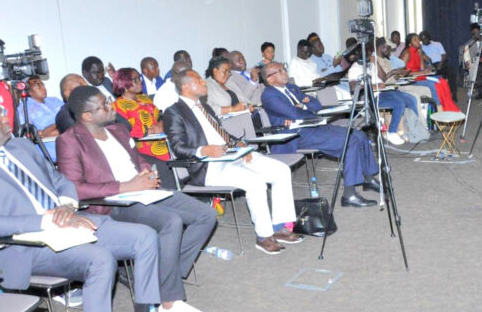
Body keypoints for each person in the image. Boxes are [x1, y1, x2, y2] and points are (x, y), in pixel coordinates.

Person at [0, 95, 177, 312]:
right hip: (26, 244)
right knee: (99, 259)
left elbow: (61, 180)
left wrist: (66, 204)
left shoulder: (21, 146)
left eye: (3, 112)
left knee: (145, 237)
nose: (6, 118)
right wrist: (46, 218)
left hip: (71, 221)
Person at [57, 86, 216, 312]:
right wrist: (124, 187)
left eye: (108, 101)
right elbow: (75, 188)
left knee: (206, 215)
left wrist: (145, 169)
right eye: (105, 105)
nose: (112, 106)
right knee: (170, 222)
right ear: (87, 115)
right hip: (113, 202)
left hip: (142, 191)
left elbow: (137, 159)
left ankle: (166, 275)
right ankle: (169, 303)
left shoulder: (118, 130)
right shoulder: (69, 141)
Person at [163, 69, 301, 255]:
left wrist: (239, 145)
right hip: (209, 166)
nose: (204, 82)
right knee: (255, 182)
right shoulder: (174, 112)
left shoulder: (206, 107)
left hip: (232, 154)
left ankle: (280, 227)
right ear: (186, 86)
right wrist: (203, 150)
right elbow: (178, 148)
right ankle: (264, 236)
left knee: (281, 170)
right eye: (198, 79)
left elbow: (221, 135)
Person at [261, 62, 380, 207]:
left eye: (283, 69)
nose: (284, 72)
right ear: (269, 79)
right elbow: (292, 113)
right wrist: (304, 107)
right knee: (350, 141)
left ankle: (368, 177)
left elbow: (316, 104)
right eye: (279, 71)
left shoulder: (292, 88)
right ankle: (349, 195)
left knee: (359, 135)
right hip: (295, 135)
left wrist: (303, 106)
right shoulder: (268, 95)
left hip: (314, 126)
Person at [347, 39, 418, 145]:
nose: (370, 54)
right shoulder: (354, 69)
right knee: (399, 103)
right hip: (371, 97)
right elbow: (353, 87)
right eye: (367, 52)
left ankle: (414, 130)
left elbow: (384, 78)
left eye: (370, 52)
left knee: (411, 99)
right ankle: (392, 132)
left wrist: (376, 63)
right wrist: (373, 86)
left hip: (383, 92)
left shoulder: (370, 64)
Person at [111, 68, 175, 186]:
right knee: (167, 163)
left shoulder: (144, 98)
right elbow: (123, 129)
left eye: (139, 78)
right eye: (135, 80)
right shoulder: (118, 106)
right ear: (124, 85)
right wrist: (147, 131)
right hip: (141, 146)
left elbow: (160, 115)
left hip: (162, 139)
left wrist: (161, 123)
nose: (140, 81)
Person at [400, 33, 460, 112]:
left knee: (441, 80)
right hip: (411, 79)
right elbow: (402, 73)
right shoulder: (406, 53)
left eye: (418, 39)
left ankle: (447, 106)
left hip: (419, 76)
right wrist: (421, 73)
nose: (418, 41)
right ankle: (439, 108)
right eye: (415, 40)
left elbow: (421, 68)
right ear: (410, 44)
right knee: (434, 84)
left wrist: (421, 55)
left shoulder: (418, 52)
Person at [204, 56, 263, 128]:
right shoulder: (206, 85)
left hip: (245, 119)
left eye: (229, 72)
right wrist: (232, 109)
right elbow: (208, 108)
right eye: (224, 71)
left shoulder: (230, 83)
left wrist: (247, 105)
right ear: (215, 70)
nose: (227, 74)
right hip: (225, 125)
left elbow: (244, 99)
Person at [16, 75, 62, 160]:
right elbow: (33, 135)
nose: (43, 88)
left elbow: (72, 120)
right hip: (49, 153)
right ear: (29, 91)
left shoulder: (55, 100)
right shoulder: (24, 108)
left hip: (71, 145)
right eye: (38, 86)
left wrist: (52, 127)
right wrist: (62, 129)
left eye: (42, 84)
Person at [420, 30, 459, 100]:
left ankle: (453, 92)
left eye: (425, 39)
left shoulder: (437, 44)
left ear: (429, 38)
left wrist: (441, 63)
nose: (424, 41)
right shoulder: (421, 48)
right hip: (429, 65)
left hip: (440, 63)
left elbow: (444, 55)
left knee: (451, 70)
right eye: (422, 40)